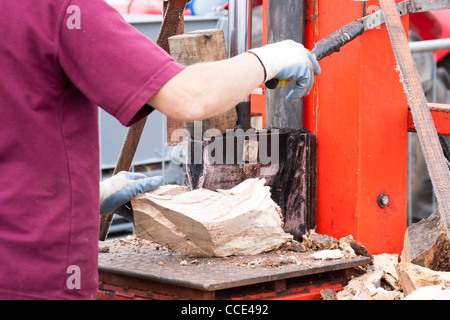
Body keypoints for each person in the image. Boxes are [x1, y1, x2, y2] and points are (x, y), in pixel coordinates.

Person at [0, 0, 320, 300]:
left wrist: (87, 197)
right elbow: (190, 96)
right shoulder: (57, 9)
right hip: (36, 280)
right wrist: (271, 59)